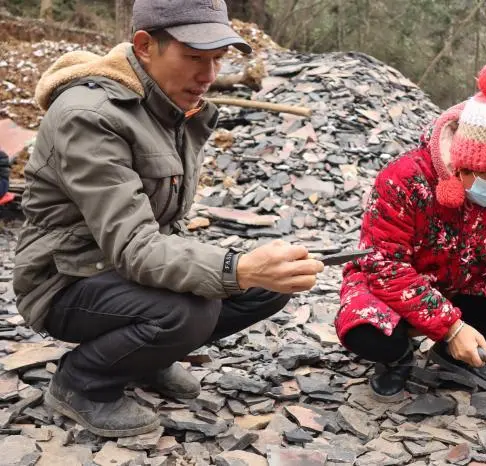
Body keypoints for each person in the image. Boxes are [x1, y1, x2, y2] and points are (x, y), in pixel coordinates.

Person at [13, 0, 324, 438]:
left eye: (217, 59)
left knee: (268, 287)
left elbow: (163, 227)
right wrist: (235, 269)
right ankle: (80, 383)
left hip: (121, 269)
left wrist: (248, 271)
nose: (209, 75)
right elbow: (135, 247)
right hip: (65, 279)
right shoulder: (89, 116)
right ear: (144, 46)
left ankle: (145, 357)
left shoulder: (167, 106)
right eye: (194, 57)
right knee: (191, 311)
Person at [335, 65, 486, 412]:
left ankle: (449, 355)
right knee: (367, 332)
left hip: (458, 285)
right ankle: (398, 359)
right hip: (391, 288)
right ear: (463, 165)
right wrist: (451, 327)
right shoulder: (403, 180)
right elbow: (383, 266)